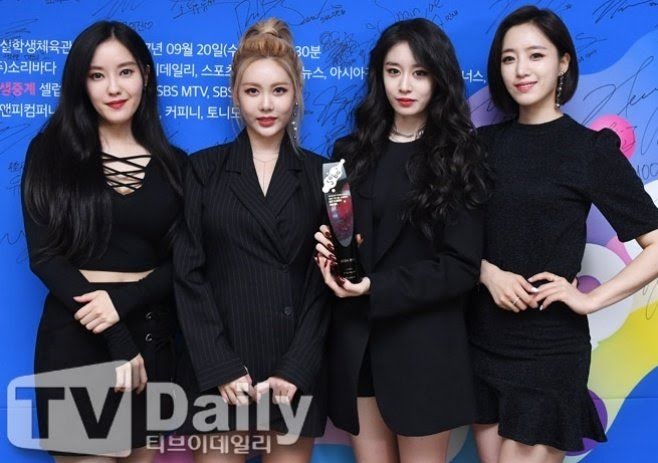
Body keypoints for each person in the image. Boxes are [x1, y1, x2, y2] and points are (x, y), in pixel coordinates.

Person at [467, 5, 658, 463]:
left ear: (563, 63)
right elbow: (447, 236)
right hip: (481, 339)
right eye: (509, 58)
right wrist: (486, 273)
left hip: (549, 347)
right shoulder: (481, 147)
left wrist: (591, 300)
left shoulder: (589, 150)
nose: (521, 69)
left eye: (536, 55)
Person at [313, 18, 488, 463]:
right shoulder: (347, 153)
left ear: (439, 78)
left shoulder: (460, 156)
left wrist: (376, 287)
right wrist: (329, 258)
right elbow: (342, 236)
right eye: (393, 71)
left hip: (424, 348)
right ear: (379, 76)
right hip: (358, 344)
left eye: (419, 72)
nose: (404, 85)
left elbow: (461, 268)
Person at [21, 21, 184, 461]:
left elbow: (184, 262)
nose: (114, 87)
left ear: (145, 75)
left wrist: (126, 301)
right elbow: (44, 256)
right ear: (81, 82)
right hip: (76, 341)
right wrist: (116, 336)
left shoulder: (176, 166)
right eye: (97, 75)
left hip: (150, 340)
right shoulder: (49, 154)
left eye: (125, 71)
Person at [173, 18, 328, 463]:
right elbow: (187, 273)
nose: (266, 104)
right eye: (252, 91)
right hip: (221, 366)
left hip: (293, 368)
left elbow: (325, 283)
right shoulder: (203, 169)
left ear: (296, 94)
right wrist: (219, 365)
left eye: (278, 90)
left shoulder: (326, 173)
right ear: (235, 95)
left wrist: (297, 367)